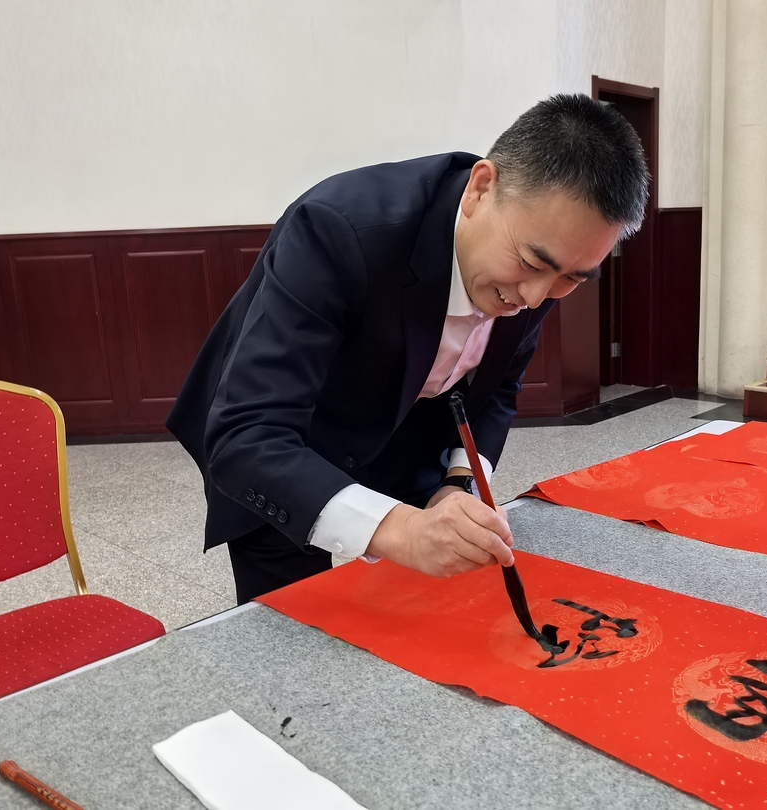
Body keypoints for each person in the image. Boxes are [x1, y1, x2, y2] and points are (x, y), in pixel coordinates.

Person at [167, 93, 649, 603]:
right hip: (289, 440)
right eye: (532, 263)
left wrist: (458, 484)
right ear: (481, 189)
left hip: (409, 427)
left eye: (571, 278)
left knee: (420, 609)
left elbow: (498, 389)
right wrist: (400, 531)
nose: (533, 298)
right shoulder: (338, 227)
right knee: (293, 616)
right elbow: (247, 435)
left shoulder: (543, 267)